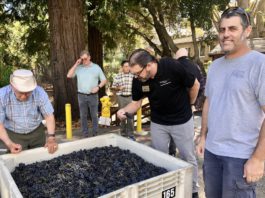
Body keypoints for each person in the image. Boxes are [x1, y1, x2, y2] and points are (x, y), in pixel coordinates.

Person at [196, 7, 265, 197]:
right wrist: (203, 136)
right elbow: (209, 103)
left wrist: (259, 158)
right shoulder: (215, 67)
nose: (225, 34)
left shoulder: (259, 64)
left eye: (232, 29)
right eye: (222, 29)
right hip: (212, 153)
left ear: (247, 31)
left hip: (240, 157)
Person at [117, 49, 200, 198]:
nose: (136, 77)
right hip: (158, 123)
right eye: (134, 74)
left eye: (138, 73)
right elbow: (136, 104)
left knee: (188, 157)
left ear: (149, 65)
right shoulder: (139, 80)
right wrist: (124, 111)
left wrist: (190, 104)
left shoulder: (171, 66)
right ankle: (165, 189)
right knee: (159, 157)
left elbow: (195, 85)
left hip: (182, 120)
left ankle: (193, 190)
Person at [0, 69, 58, 154]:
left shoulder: (39, 92)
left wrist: (51, 137)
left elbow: (48, 116)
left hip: (36, 132)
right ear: (12, 86)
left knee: (40, 160)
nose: (24, 96)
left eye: (28, 93)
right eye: (20, 92)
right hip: (12, 134)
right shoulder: (2, 96)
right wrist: (9, 144)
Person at [67, 50, 107, 137]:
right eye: (82, 59)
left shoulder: (96, 67)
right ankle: (85, 134)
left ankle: (95, 133)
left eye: (85, 59)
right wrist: (76, 64)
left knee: (94, 115)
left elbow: (104, 80)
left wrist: (98, 87)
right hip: (81, 95)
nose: (84, 61)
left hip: (93, 96)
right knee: (83, 115)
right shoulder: (79, 68)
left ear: (89, 57)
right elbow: (69, 75)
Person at [112, 60, 134, 139]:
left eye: (128, 66)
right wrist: (119, 88)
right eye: (125, 66)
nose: (127, 68)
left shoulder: (133, 76)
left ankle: (131, 134)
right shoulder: (118, 76)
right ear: (122, 67)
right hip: (121, 97)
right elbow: (113, 88)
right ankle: (123, 134)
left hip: (130, 97)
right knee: (122, 116)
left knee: (130, 116)